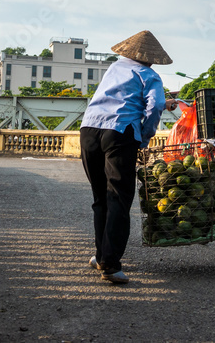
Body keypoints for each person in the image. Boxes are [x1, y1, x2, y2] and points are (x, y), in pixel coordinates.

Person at [80, 30, 177, 285]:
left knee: (101, 197)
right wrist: (144, 138)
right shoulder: (150, 75)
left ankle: (101, 256)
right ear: (153, 59)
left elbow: (122, 98)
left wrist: (165, 102)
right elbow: (153, 106)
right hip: (120, 134)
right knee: (119, 200)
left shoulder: (114, 68)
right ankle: (110, 266)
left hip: (89, 130)